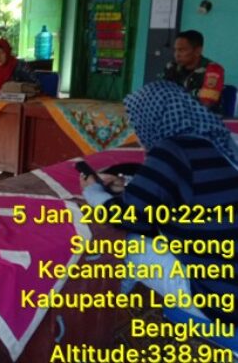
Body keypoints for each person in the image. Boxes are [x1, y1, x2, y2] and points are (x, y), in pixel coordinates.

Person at [80, 81, 238, 325]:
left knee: (127, 244)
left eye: (138, 122)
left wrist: (93, 190)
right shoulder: (218, 141)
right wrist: (129, 187)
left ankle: (102, 321)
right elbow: (184, 191)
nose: (139, 133)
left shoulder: (173, 150)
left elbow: (130, 218)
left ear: (152, 118)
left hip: (221, 300)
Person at [162, 30, 224, 113]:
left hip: (203, 117)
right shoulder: (172, 67)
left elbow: (206, 104)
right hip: (175, 114)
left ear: (197, 51)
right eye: (175, 50)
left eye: (181, 50)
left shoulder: (213, 70)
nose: (177, 54)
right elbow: (162, 95)